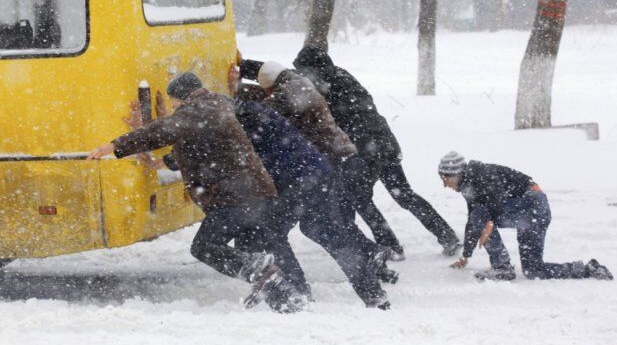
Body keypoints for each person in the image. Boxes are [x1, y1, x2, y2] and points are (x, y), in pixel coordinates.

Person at [87, 73, 306, 312]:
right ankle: (288, 302)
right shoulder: (214, 104)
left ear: (183, 97)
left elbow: (164, 130)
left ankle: (267, 276)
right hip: (251, 192)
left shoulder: (200, 111)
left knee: (204, 247)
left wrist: (115, 146)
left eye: (174, 102)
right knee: (254, 250)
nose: (173, 107)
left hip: (236, 197)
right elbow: (193, 142)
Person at [240, 61, 398, 274]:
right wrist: (242, 70)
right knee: (325, 223)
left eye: (267, 90)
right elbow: (267, 87)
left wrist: (232, 100)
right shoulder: (294, 81)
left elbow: (266, 108)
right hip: (332, 162)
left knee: (320, 223)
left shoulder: (292, 90)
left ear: (272, 87)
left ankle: (370, 256)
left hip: (331, 162)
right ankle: (372, 257)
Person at [439, 151, 614, 281]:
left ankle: (502, 267)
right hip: (533, 213)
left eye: (445, 179)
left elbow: (495, 200)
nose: (445, 185)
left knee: (481, 216)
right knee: (533, 270)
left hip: (532, 204)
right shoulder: (469, 185)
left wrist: (490, 222)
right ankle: (587, 270)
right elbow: (473, 221)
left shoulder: (481, 174)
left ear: (455, 172)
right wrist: (466, 255)